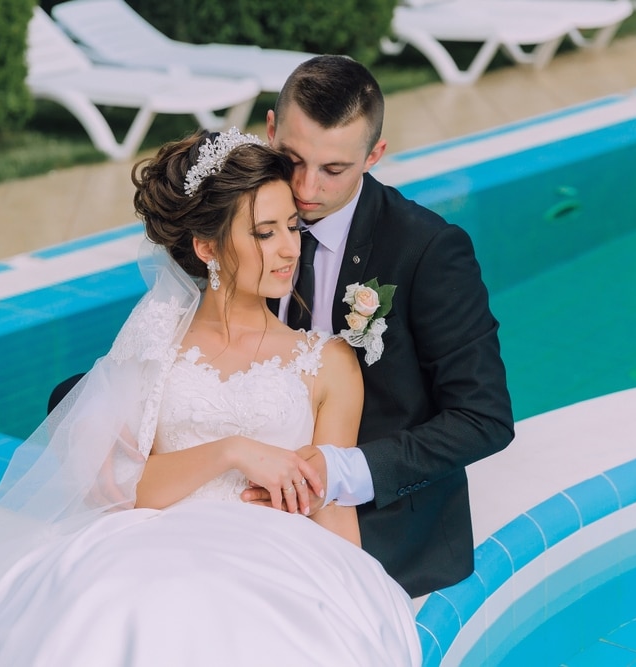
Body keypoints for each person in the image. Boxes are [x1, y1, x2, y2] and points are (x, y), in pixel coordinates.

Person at [0, 131, 421, 666]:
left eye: (290, 227)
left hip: (278, 561)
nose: (288, 249)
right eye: (263, 233)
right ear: (205, 247)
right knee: (120, 609)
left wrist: (355, 593)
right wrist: (233, 451)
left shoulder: (327, 363)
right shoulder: (156, 343)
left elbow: (335, 516)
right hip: (154, 540)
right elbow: (126, 486)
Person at [241, 55, 515, 601]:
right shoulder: (237, 218)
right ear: (270, 129)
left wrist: (341, 470)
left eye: (333, 169)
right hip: (246, 494)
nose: (304, 186)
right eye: (291, 158)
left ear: (374, 156)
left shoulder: (429, 251)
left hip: (379, 521)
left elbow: (484, 418)